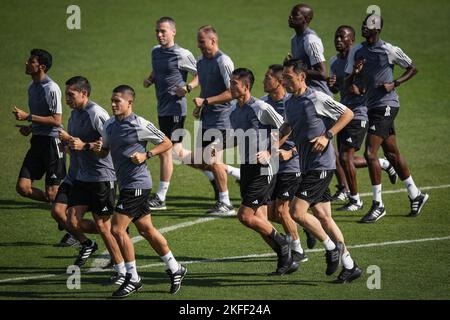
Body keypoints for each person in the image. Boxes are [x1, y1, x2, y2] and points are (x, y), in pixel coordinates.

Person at [93, 85, 187, 298]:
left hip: (138, 184)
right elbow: (104, 153)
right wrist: (99, 150)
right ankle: (175, 268)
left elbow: (167, 142)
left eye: (118, 101)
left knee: (117, 229)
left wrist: (147, 155)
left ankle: (133, 278)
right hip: (126, 184)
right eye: (112, 100)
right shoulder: (108, 125)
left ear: (129, 103)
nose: (114, 104)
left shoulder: (139, 124)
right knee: (146, 229)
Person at [281, 58, 362, 283]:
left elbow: (348, 114)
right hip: (307, 166)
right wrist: (273, 144)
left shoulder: (316, 98)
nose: (285, 81)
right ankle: (350, 265)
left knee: (296, 212)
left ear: (301, 77)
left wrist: (327, 135)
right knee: (325, 217)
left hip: (321, 166)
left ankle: (330, 247)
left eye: (289, 77)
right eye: (283, 78)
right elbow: (289, 126)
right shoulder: (289, 102)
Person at [345, 14, 429, 222]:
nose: (364, 27)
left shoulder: (389, 50)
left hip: (388, 106)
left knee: (370, 153)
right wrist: (355, 76)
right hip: (371, 106)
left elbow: (412, 67)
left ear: (378, 29)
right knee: (391, 153)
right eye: (363, 23)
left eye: (369, 25)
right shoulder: (357, 51)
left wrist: (395, 83)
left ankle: (378, 204)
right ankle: (415, 194)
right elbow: (349, 81)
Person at [228, 68, 293, 275]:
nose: (230, 87)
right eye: (230, 83)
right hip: (247, 167)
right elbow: (237, 137)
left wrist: (269, 151)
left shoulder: (260, 107)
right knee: (260, 219)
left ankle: (284, 244)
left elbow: (286, 127)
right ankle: (285, 260)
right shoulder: (234, 110)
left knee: (245, 216)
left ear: (245, 87)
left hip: (265, 169)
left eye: (234, 84)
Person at [328, 25, 398, 212]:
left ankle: (356, 200)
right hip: (343, 113)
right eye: (336, 37)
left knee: (344, 156)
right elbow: (337, 90)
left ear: (352, 40)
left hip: (360, 112)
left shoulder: (361, 59)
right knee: (343, 159)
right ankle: (383, 163)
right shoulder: (334, 61)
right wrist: (332, 84)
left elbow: (369, 86)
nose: (338, 40)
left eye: (342, 37)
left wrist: (359, 87)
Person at [59, 76, 124, 275]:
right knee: (71, 220)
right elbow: (77, 144)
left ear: (84, 93)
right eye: (66, 95)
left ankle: (121, 268)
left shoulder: (95, 113)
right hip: (82, 176)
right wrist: (69, 143)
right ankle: (100, 240)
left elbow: (111, 139)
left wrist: (83, 145)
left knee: (102, 226)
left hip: (102, 177)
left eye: (71, 95)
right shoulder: (74, 114)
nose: (67, 99)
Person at [288, 3, 349, 201]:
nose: (290, 17)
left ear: (305, 19)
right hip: (305, 96)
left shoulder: (311, 40)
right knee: (321, 148)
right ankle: (337, 189)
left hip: (318, 99)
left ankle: (345, 190)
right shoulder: (294, 39)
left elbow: (322, 73)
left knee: (326, 147)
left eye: (295, 15)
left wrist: (298, 70)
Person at [143, 16, 199, 210]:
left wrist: (188, 87)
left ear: (173, 32)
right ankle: (222, 172)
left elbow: (201, 73)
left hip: (176, 109)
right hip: (162, 108)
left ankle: (160, 197)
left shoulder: (182, 54)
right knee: (179, 153)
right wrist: (150, 79)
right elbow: (158, 69)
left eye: (163, 31)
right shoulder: (155, 52)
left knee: (166, 151)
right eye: (157, 31)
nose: (159, 34)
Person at [261, 64, 316, 258]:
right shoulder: (263, 104)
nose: (263, 81)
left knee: (283, 211)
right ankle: (305, 223)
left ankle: (298, 250)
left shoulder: (291, 103)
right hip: (272, 165)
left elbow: (305, 135)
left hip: (291, 165)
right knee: (270, 213)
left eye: (268, 78)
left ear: (280, 82)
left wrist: (291, 153)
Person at [191, 25, 240, 215]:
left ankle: (225, 203)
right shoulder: (201, 62)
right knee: (198, 160)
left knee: (212, 158)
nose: (199, 45)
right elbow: (205, 87)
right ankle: (237, 174)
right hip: (207, 117)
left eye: (202, 42)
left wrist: (206, 101)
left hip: (224, 119)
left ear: (213, 41)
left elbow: (233, 92)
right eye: (198, 42)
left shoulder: (224, 61)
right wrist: (200, 106)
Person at [13, 49, 65, 205]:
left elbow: (56, 120)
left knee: (52, 193)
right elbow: (42, 116)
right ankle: (59, 204)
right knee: (23, 188)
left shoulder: (51, 88)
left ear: (41, 66)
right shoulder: (32, 86)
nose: (27, 63)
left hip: (52, 143)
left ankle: (62, 207)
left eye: (31, 61)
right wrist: (30, 127)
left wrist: (27, 116)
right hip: (37, 141)